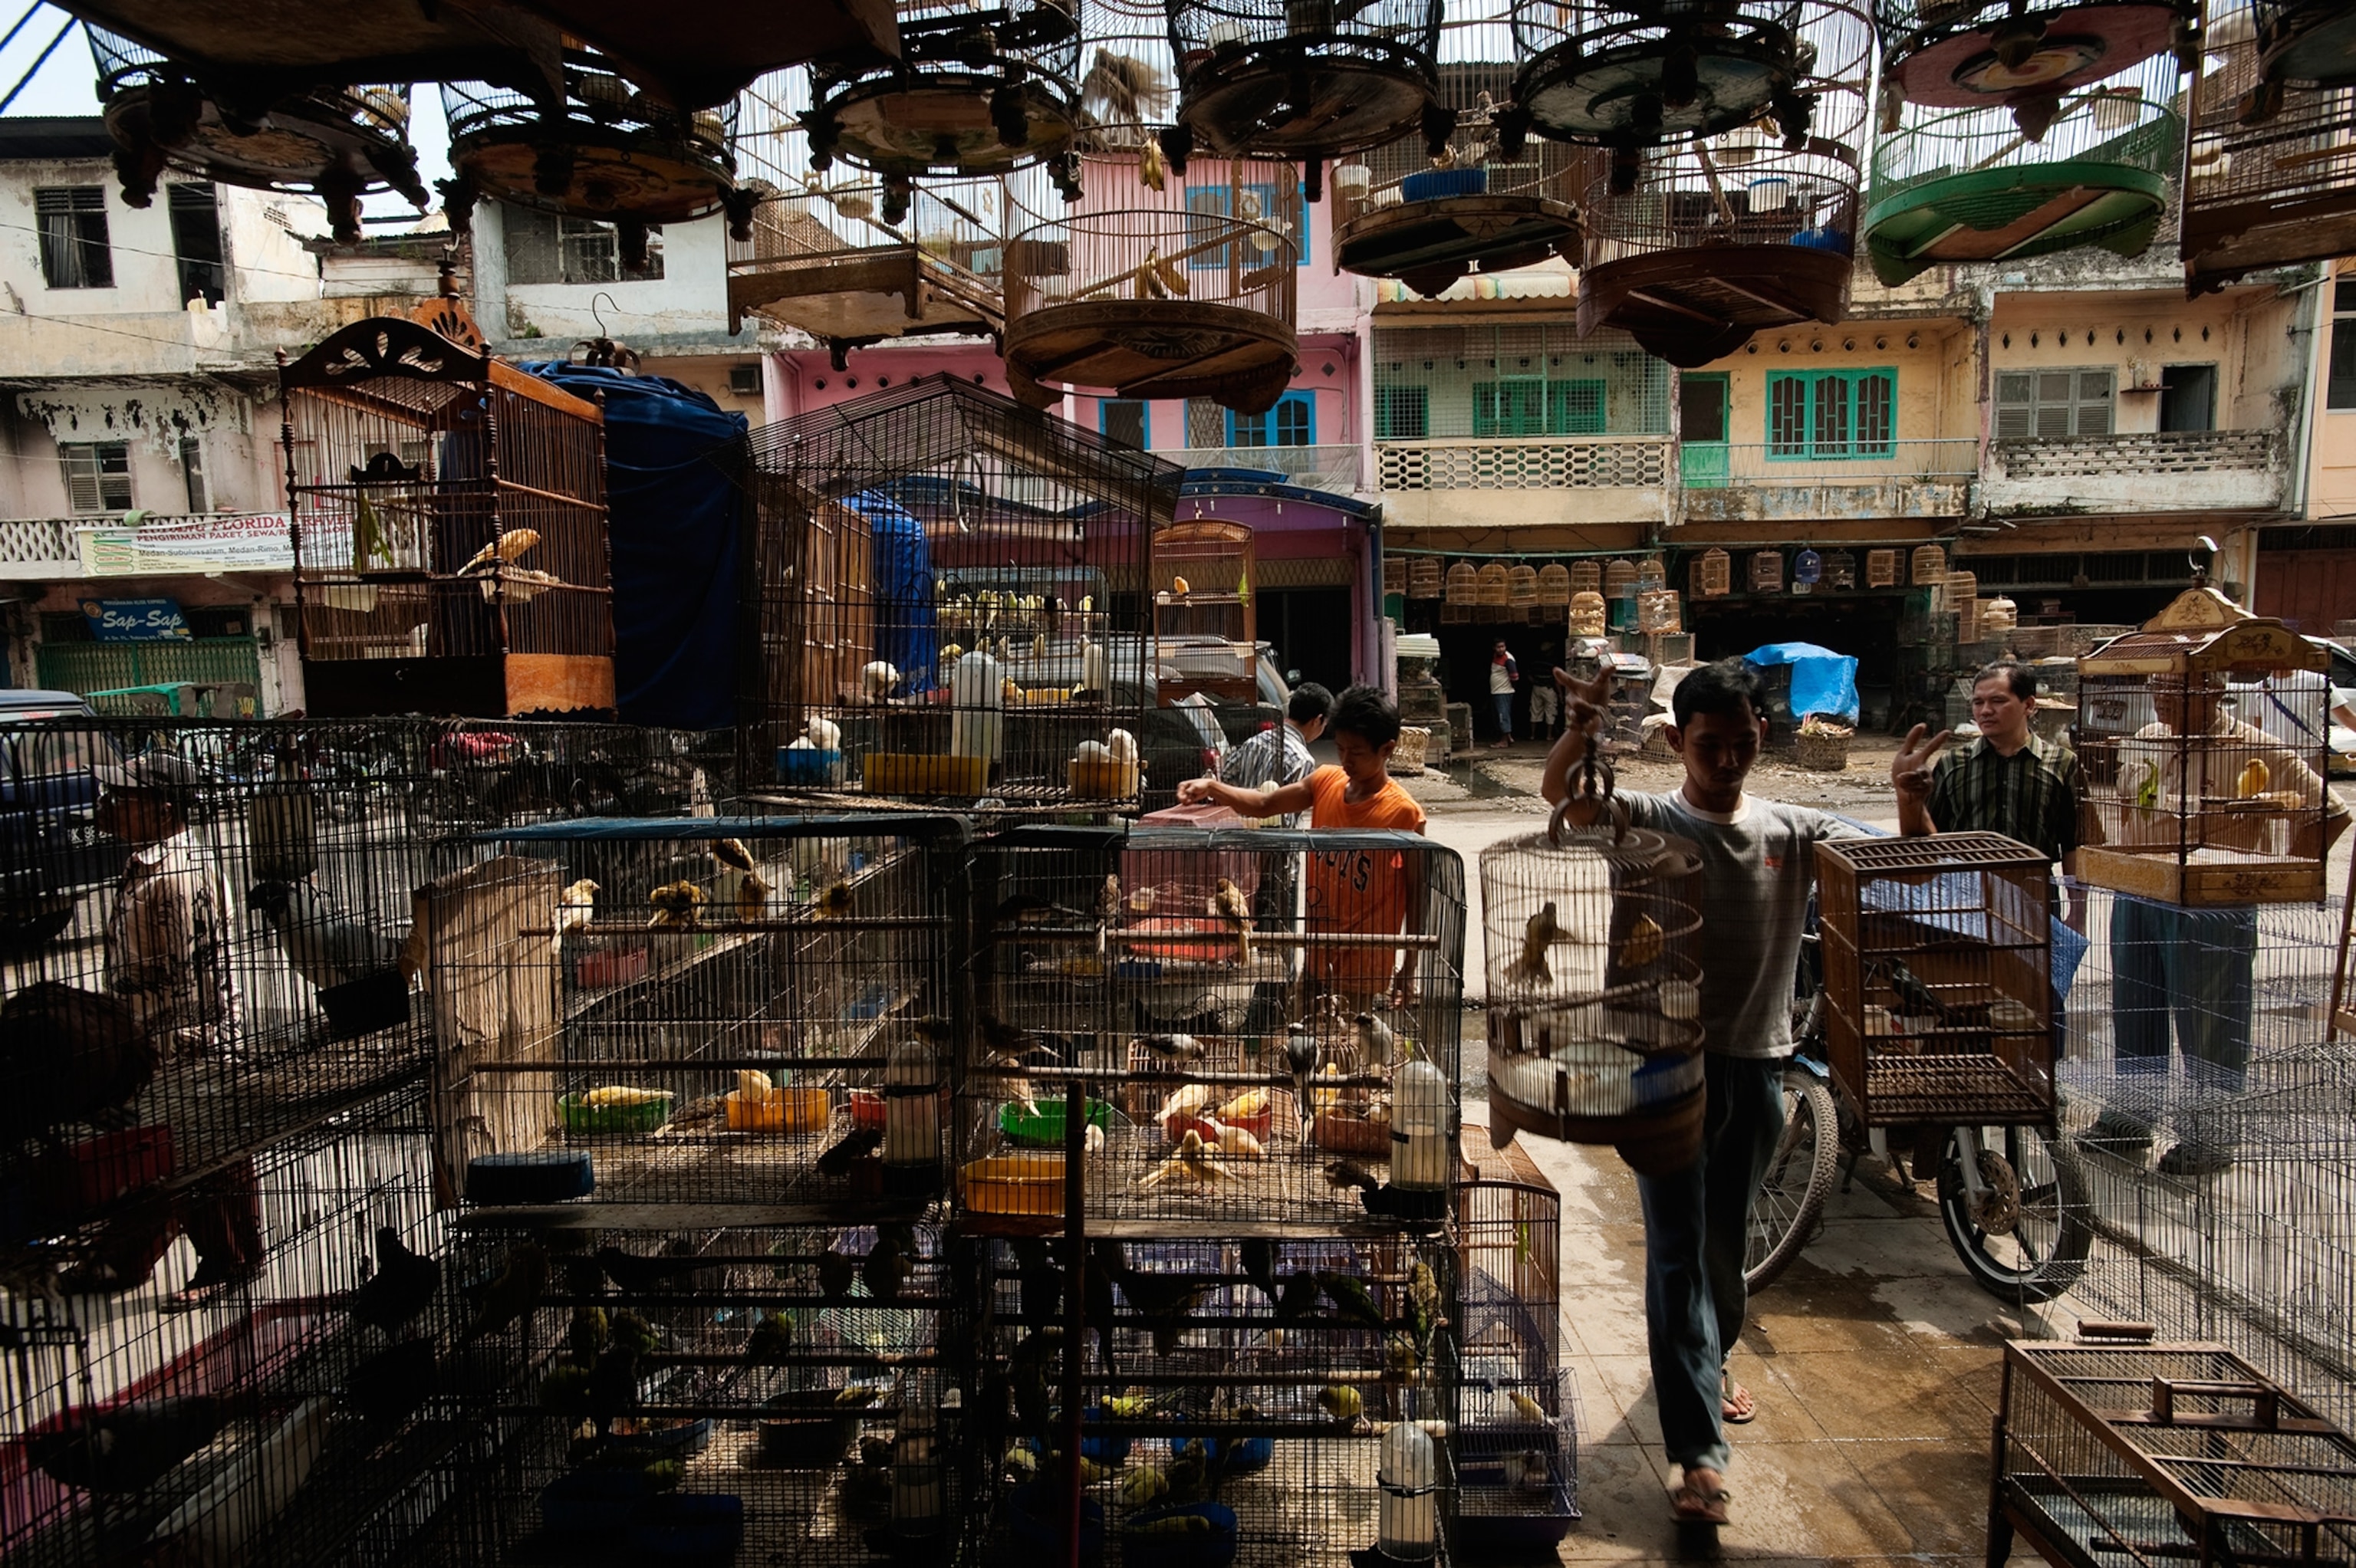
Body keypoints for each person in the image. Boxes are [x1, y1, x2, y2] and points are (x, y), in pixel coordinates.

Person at [1544, 657, 1894, 1527]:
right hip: (1666, 1067)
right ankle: (1697, 1451)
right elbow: (1567, 803)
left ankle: (1704, 1362)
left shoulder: (1794, 826)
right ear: (1675, 741)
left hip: (1759, 1066)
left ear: (1760, 736)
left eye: (1741, 743)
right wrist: (1582, 729)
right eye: (1709, 744)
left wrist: (1913, 800)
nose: (1727, 759)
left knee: (1723, 1254)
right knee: (1675, 1251)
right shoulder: (1649, 818)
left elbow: (1894, 858)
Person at [2080, 672, 2348, 1175]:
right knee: (2135, 1004)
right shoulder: (2147, 740)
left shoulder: (2254, 746)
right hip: (2141, 887)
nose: (2162, 698)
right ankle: (2129, 1117)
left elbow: (2330, 812)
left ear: (2210, 691)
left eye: (2176, 688)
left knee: (2210, 1019)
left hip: (2211, 903)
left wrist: (2279, 873)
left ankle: (2210, 1134)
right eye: (2157, 686)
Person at [76, 751, 261, 1300]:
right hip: (155, 1039)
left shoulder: (178, 877)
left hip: (184, 1041)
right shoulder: (146, 864)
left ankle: (223, 1263)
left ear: (161, 808)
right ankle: (124, 1259)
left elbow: (196, 973)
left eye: (123, 799)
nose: (108, 808)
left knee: (198, 1159)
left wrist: (184, 1048)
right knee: (175, 1157)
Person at [1179, 685, 1426, 1004]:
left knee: (1348, 1046)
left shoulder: (1404, 812)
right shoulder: (1326, 781)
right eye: (1341, 749)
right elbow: (1265, 803)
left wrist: (1410, 966)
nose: (1346, 760)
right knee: (1302, 1043)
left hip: (1366, 959)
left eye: (1357, 752)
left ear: (1387, 749)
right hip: (1318, 949)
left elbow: (1418, 893)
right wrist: (1213, 786)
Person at [1894, 660, 2085, 929]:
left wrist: (2079, 911)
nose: (1985, 711)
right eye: (1978, 702)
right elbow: (1926, 840)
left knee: (2035, 970)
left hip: (2034, 900)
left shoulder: (2062, 764)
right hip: (1963, 901)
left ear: (2029, 705)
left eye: (1997, 701)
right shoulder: (1953, 764)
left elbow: (2074, 844)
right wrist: (1908, 800)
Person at [1219, 682, 1333, 930]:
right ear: (1318, 720)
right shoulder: (1302, 760)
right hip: (1277, 866)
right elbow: (1287, 819)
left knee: (1241, 930)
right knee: (1278, 943)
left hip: (1240, 856)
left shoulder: (1254, 742)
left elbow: (1225, 780)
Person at [1489, 639, 1520, 748]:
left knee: (1503, 716)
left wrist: (1511, 687)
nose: (1501, 649)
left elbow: (1515, 676)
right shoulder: (1496, 656)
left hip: (1503, 691)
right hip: (1497, 691)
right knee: (1500, 715)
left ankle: (1504, 741)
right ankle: (1508, 737)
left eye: (1503, 646)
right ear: (1494, 648)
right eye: (1499, 647)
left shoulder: (1508, 659)